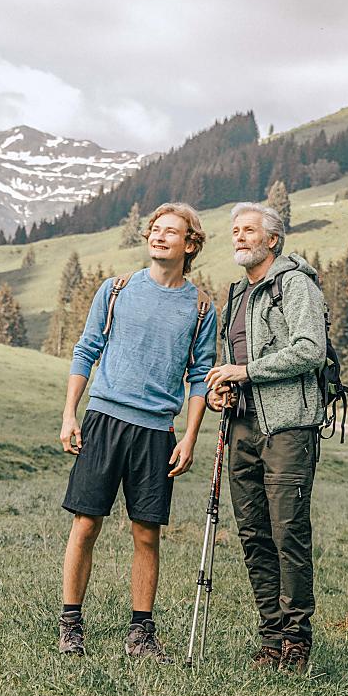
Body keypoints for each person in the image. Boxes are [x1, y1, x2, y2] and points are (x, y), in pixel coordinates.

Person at [58, 202, 217, 660]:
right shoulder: (116, 290)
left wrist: (189, 436)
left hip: (156, 433)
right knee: (86, 524)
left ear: (190, 244)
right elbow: (85, 350)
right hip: (104, 420)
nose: (159, 236)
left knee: (147, 534)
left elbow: (200, 375)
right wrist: (71, 414)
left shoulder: (201, 307)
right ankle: (71, 624)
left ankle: (141, 634)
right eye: (155, 229)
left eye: (171, 231)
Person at [205, 202, 327, 674]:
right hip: (241, 427)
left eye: (249, 230)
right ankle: (271, 637)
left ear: (272, 239)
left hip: (287, 428)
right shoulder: (237, 293)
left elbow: (310, 350)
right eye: (234, 230)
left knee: (287, 532)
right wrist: (222, 390)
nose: (238, 237)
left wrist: (247, 371)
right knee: (254, 533)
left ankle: (297, 640)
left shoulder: (295, 285)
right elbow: (230, 362)